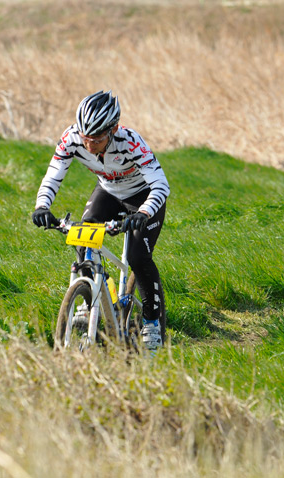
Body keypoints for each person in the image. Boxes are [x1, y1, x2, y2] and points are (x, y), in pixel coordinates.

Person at [32, 90, 170, 353]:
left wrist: (143, 213)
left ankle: (152, 322)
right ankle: (92, 298)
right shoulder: (72, 137)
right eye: (84, 138)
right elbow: (53, 175)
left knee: (137, 256)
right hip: (107, 191)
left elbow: (161, 185)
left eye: (95, 140)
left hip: (142, 195)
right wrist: (42, 206)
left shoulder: (131, 142)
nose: (88, 145)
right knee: (82, 235)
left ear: (113, 129)